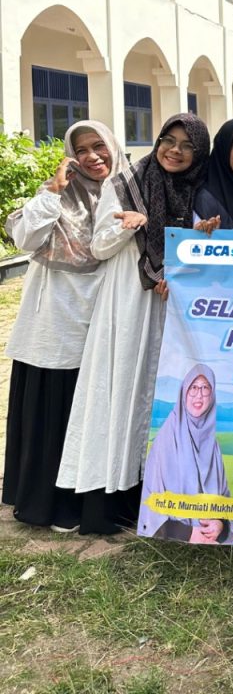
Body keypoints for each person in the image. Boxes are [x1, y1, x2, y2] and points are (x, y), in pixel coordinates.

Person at [57, 113, 211, 533]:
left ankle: (150, 498)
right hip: (126, 305)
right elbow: (99, 246)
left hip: (167, 307)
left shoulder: (196, 190)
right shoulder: (125, 183)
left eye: (187, 145)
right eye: (169, 140)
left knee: (154, 397)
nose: (175, 151)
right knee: (120, 392)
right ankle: (105, 502)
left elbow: (192, 252)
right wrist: (128, 226)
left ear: (199, 153)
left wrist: (198, 244)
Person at [1, 122, 127, 532]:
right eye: (82, 150)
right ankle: (49, 505)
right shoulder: (56, 195)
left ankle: (85, 502)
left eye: (99, 146)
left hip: (100, 319)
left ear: (112, 147)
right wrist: (54, 189)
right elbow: (24, 238)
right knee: (52, 412)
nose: (93, 156)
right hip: (53, 322)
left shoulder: (127, 192)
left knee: (87, 413)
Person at [138, 364, 233, 544]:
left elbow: (223, 498)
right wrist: (189, 534)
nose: (199, 395)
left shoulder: (213, 445)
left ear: (212, 395)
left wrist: (220, 525)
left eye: (205, 388)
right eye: (193, 388)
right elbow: (152, 506)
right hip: (176, 538)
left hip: (209, 540)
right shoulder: (167, 438)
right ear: (184, 392)